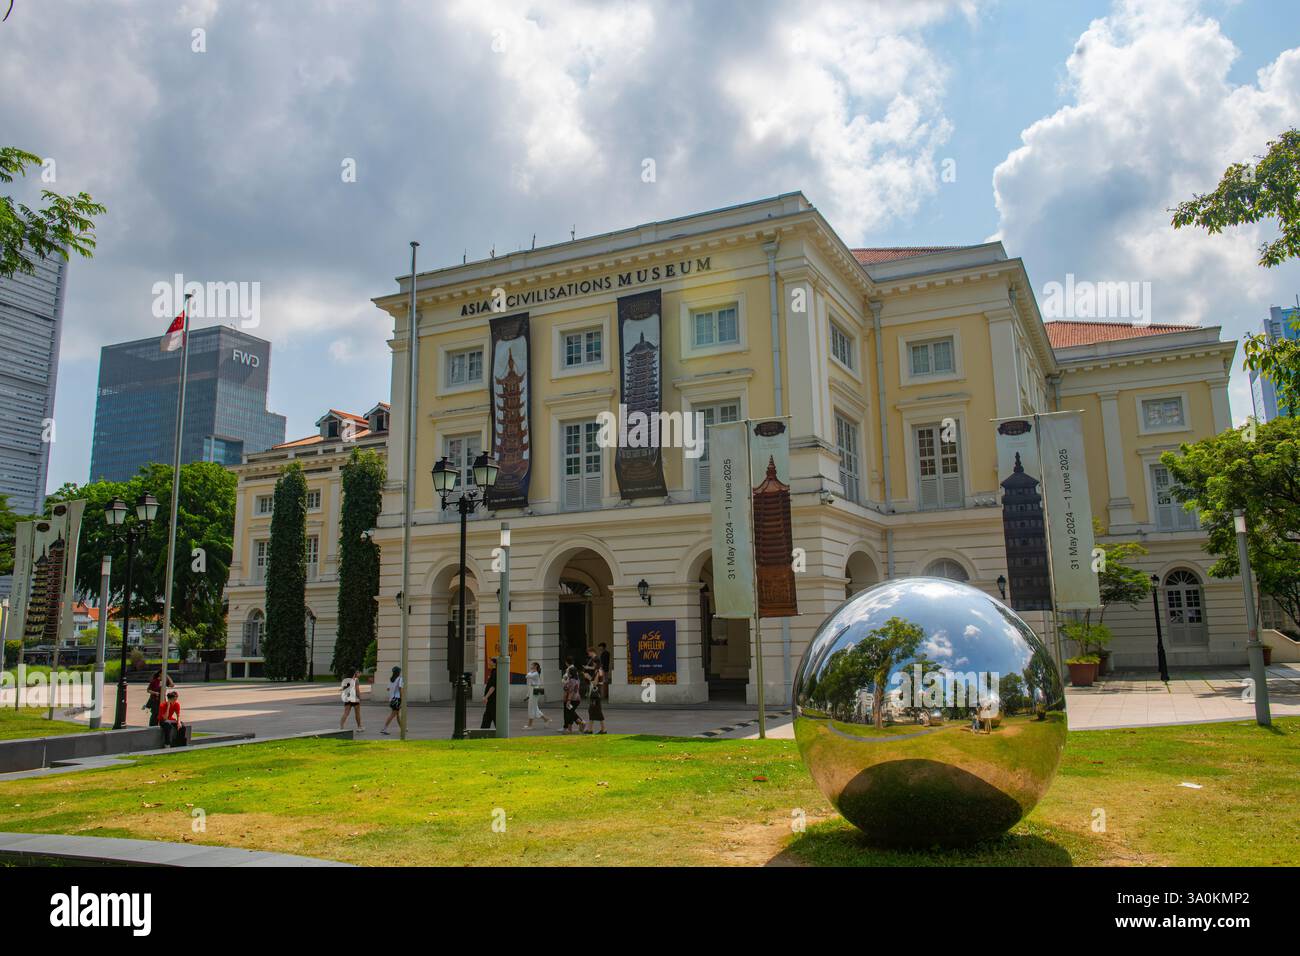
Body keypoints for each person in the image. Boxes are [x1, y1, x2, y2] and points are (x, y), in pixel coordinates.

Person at [525, 661, 550, 729]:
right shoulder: (534, 673)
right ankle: (546, 719)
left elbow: (527, 676)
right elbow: (529, 678)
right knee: (535, 708)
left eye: (532, 665)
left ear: (535, 666)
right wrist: (528, 695)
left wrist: (531, 671)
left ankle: (530, 725)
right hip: (532, 690)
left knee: (532, 707)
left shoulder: (535, 673)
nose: (531, 666)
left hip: (535, 690)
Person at [561, 665, 586, 734]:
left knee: (569, 713)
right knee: (571, 712)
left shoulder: (571, 681)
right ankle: (579, 724)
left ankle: (572, 728)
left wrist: (568, 700)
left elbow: (570, 691)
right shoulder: (577, 679)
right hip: (577, 699)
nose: (567, 673)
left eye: (568, 672)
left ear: (571, 673)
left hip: (572, 700)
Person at [585, 661, 607, 734]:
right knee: (592, 711)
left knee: (595, 711)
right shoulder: (600, 671)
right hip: (597, 694)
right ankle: (590, 729)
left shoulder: (598, 671)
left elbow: (595, 683)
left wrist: (588, 677)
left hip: (595, 695)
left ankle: (602, 729)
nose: (592, 665)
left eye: (594, 663)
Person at [381, 666, 404, 735]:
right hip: (397, 699)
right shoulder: (400, 679)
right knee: (393, 715)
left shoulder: (391, 679)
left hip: (391, 699)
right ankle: (384, 728)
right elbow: (400, 689)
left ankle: (403, 728)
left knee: (397, 714)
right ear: (398, 672)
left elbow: (388, 689)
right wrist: (402, 699)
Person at [481, 659, 498, 729]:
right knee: (488, 715)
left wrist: (486, 697)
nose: (488, 662)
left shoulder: (495, 672)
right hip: (491, 699)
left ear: (494, 663)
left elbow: (493, 686)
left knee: (492, 715)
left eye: (490, 661)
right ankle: (483, 730)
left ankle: (501, 730)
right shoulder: (493, 671)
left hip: (492, 699)